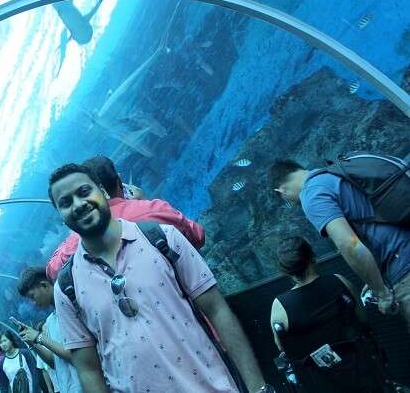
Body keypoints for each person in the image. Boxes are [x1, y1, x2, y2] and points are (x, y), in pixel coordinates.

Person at [47, 163, 272, 393]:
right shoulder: (67, 287)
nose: (78, 204)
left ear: (103, 192)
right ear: (61, 216)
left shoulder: (162, 238)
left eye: (84, 192)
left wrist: (258, 388)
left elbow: (217, 310)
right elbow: (88, 369)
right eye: (65, 202)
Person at [270, 159, 410, 329]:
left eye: (287, 200)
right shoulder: (332, 174)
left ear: (281, 190)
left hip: (402, 268)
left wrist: (381, 293)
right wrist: (374, 277)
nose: (291, 203)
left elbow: (350, 244)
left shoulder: (311, 195)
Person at [46, 155, 205, 280]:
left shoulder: (77, 244)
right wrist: (144, 202)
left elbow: (52, 271)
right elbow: (198, 236)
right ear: (119, 181)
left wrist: (74, 234)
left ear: (100, 188)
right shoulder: (153, 209)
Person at [270, 236, 388, 392]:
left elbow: (283, 348)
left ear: (284, 270)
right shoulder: (339, 281)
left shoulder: (279, 306)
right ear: (312, 256)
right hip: (363, 373)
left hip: (320, 383)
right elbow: (362, 319)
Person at [16, 267, 81, 393]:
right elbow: (53, 362)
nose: (33, 303)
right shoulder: (50, 321)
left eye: (32, 296)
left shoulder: (71, 308)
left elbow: (77, 357)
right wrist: (33, 343)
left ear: (44, 285)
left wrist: (39, 337)